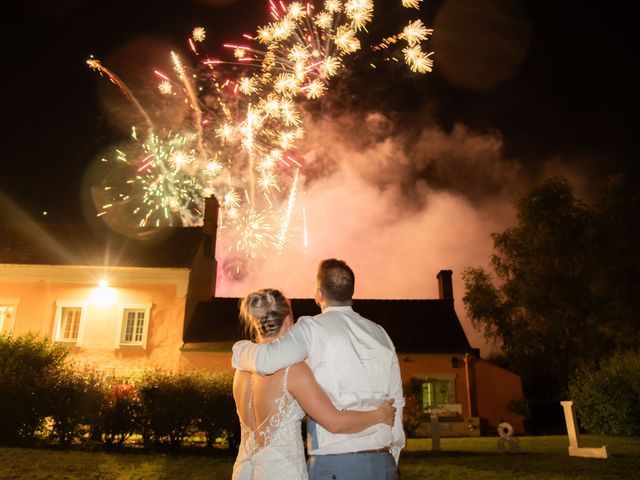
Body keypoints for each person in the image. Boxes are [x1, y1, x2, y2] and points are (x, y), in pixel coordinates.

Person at [233, 259, 405, 480]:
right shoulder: (381, 334)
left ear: (319, 295)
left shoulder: (242, 371)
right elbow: (396, 402)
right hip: (380, 462)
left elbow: (266, 361)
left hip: (310, 466)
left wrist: (238, 350)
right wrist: (390, 450)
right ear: (288, 319)